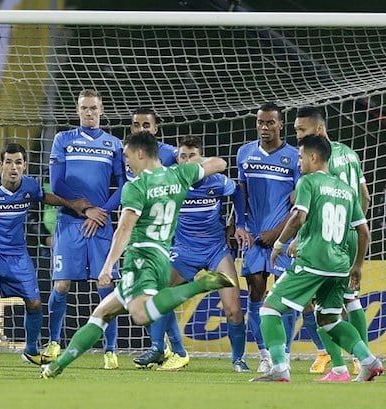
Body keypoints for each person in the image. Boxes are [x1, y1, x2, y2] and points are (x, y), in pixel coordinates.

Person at [40, 131, 235, 379]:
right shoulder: (179, 174)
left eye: (127, 155)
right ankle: (56, 367)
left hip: (141, 259)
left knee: (140, 315)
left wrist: (107, 266)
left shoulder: (136, 186)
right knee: (101, 314)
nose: (126, 161)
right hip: (163, 257)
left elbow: (124, 229)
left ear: (140, 153)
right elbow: (220, 164)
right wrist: (196, 162)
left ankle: (200, 285)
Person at [0, 143, 103, 365]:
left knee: (34, 304)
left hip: (17, 253)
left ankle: (31, 350)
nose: (13, 167)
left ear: (24, 165)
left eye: (18, 162)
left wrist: (73, 204)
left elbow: (45, 197)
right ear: (1, 165)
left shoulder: (30, 186)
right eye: (8, 162)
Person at [250, 135, 382, 382]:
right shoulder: (346, 190)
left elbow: (298, 217)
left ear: (313, 157)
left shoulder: (308, 182)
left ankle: (279, 367)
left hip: (312, 262)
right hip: (340, 265)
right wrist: (357, 266)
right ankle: (369, 361)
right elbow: (364, 231)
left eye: (300, 157)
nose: (298, 162)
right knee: (329, 319)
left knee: (269, 308)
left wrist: (279, 244)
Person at [42, 89, 126, 370]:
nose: (89, 112)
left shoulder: (114, 144)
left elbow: (124, 185)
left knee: (106, 284)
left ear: (101, 110)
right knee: (61, 284)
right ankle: (54, 342)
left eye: (93, 108)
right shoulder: (63, 139)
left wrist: (102, 213)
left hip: (101, 223)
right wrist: (86, 209)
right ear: (77, 110)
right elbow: (57, 184)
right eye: (84, 108)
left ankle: (110, 350)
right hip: (69, 222)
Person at [292, 106, 372, 380]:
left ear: (319, 128)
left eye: (302, 130)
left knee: (319, 305)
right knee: (351, 299)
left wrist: (300, 238)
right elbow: (365, 196)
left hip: (327, 238)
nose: (298, 135)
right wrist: (355, 228)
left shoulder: (318, 161)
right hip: (351, 233)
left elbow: (319, 204)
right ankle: (363, 361)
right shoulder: (350, 153)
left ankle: (339, 366)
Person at [157, 135, 249, 372]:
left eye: (193, 156)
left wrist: (238, 224)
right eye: (183, 156)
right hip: (183, 251)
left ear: (202, 158)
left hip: (215, 251)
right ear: (177, 159)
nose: (188, 160)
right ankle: (170, 350)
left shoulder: (216, 181)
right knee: (157, 296)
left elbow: (238, 192)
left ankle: (238, 360)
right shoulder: (171, 181)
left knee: (233, 309)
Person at [233, 102, 300, 373]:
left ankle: (284, 354)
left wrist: (278, 233)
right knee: (255, 293)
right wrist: (238, 225)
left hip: (283, 237)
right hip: (253, 236)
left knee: (284, 296)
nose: (264, 127)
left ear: (281, 125)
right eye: (261, 122)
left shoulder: (294, 157)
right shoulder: (244, 153)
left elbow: (299, 204)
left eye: (270, 122)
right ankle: (264, 354)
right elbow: (241, 194)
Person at [126, 108, 178, 369]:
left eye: (146, 125)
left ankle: (170, 348)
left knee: (156, 293)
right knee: (149, 295)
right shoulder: (128, 155)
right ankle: (163, 347)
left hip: (162, 235)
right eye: (137, 125)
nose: (142, 129)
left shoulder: (170, 155)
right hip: (137, 231)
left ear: (156, 129)